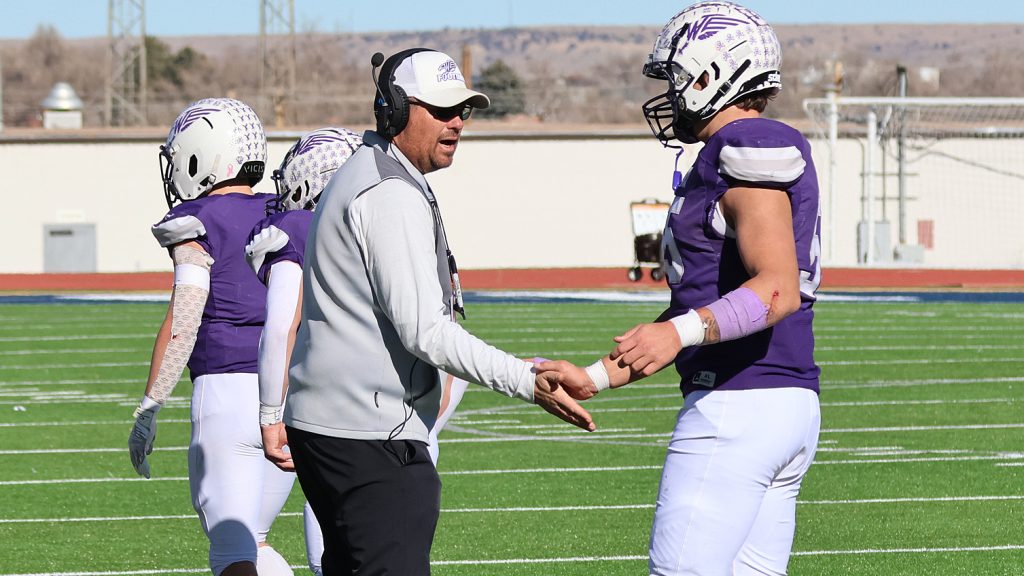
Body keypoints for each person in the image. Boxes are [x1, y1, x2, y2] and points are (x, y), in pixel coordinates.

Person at [283, 48, 595, 576]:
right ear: (396, 109)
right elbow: (425, 331)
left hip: (331, 427)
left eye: (463, 110)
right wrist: (526, 380)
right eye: (442, 109)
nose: (457, 122)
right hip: (369, 437)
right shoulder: (389, 192)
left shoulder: (373, 171)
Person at [539, 3, 823, 575]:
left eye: (676, 77)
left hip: (738, 404)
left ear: (712, 74)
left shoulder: (747, 144)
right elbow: (692, 312)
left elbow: (776, 290)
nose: (669, 93)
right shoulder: (724, 157)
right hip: (781, 403)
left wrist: (678, 333)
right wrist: (596, 377)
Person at [127, 97, 298, 576]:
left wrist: (150, 407)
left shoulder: (199, 220)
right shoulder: (285, 212)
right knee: (255, 541)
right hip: (289, 395)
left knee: (231, 552)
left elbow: (185, 319)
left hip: (226, 396)